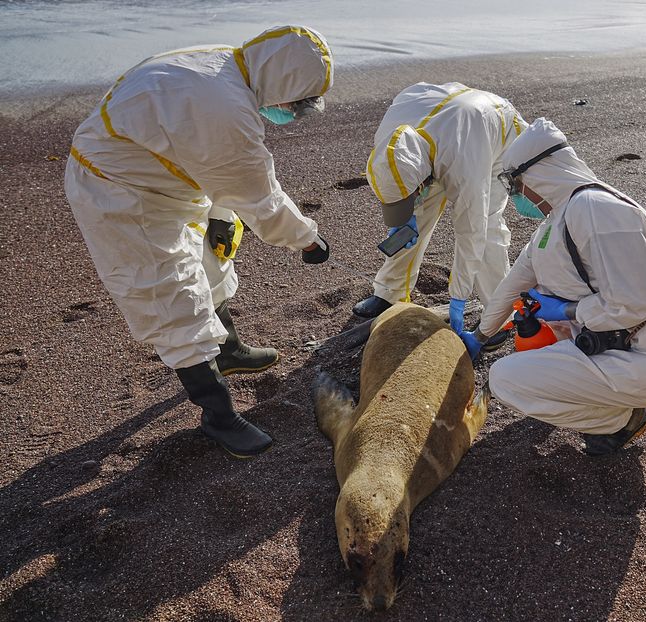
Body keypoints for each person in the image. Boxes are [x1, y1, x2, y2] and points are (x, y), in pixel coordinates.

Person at [64, 26, 334, 458]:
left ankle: (227, 349)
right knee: (170, 294)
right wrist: (307, 240)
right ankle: (219, 416)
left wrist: (221, 214)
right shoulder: (224, 110)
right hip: (122, 193)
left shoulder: (225, 64)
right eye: (296, 102)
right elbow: (260, 198)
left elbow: (215, 165)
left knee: (213, 260)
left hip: (168, 174)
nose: (292, 111)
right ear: (283, 81)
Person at [461, 118, 646, 456]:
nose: (517, 196)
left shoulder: (599, 210)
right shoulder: (557, 220)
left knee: (505, 379)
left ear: (540, 173)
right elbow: (514, 284)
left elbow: (636, 304)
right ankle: (610, 408)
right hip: (611, 344)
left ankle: (620, 420)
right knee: (532, 345)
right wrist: (479, 336)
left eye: (516, 184)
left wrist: (567, 310)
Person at [353, 82, 527, 349]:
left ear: (424, 178)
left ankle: (498, 315)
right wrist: (402, 216)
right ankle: (390, 292)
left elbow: (472, 230)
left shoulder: (465, 162)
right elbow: (400, 178)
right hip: (447, 129)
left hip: (493, 136)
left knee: (488, 227)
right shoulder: (390, 141)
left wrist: (458, 296)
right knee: (416, 216)